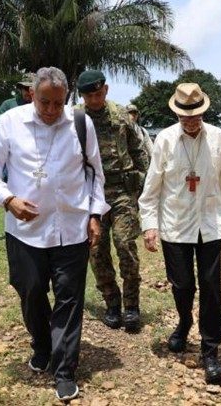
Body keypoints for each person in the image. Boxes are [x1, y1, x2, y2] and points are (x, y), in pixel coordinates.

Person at [0, 67, 109, 401]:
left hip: (71, 228)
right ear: (31, 95)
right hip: (25, 229)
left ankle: (64, 370)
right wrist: (8, 199)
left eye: (58, 103)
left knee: (70, 298)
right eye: (44, 102)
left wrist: (95, 215)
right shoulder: (10, 123)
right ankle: (42, 344)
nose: (51, 111)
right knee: (31, 291)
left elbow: (95, 173)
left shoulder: (80, 123)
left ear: (67, 99)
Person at [138, 83, 221, 385]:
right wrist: (149, 225)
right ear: (177, 113)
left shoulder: (218, 138)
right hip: (175, 223)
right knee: (181, 284)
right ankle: (184, 321)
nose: (190, 120)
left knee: (210, 286)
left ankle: (210, 349)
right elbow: (151, 188)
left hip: (209, 222)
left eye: (195, 115)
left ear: (204, 111)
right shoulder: (165, 140)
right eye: (184, 115)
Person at [75, 70, 151, 332]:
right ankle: (112, 303)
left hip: (121, 191)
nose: (94, 100)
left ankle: (131, 306)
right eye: (88, 96)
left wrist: (144, 186)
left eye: (98, 94)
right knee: (97, 251)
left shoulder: (122, 116)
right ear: (81, 95)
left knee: (125, 243)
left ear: (105, 91)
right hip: (90, 193)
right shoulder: (75, 118)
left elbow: (138, 150)